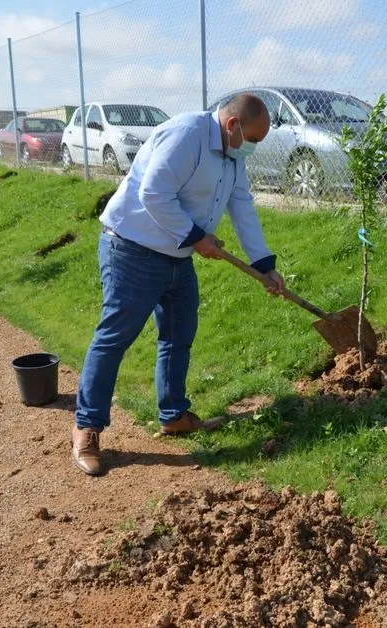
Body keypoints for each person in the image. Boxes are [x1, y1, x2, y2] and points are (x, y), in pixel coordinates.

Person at [71, 93, 285, 475]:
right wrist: (196, 236)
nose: (252, 149)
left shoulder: (232, 157)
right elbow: (153, 193)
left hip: (178, 257)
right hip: (132, 249)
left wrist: (264, 264)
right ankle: (87, 427)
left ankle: (173, 415)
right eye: (252, 140)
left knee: (178, 333)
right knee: (115, 337)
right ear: (233, 126)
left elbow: (242, 205)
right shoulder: (186, 135)